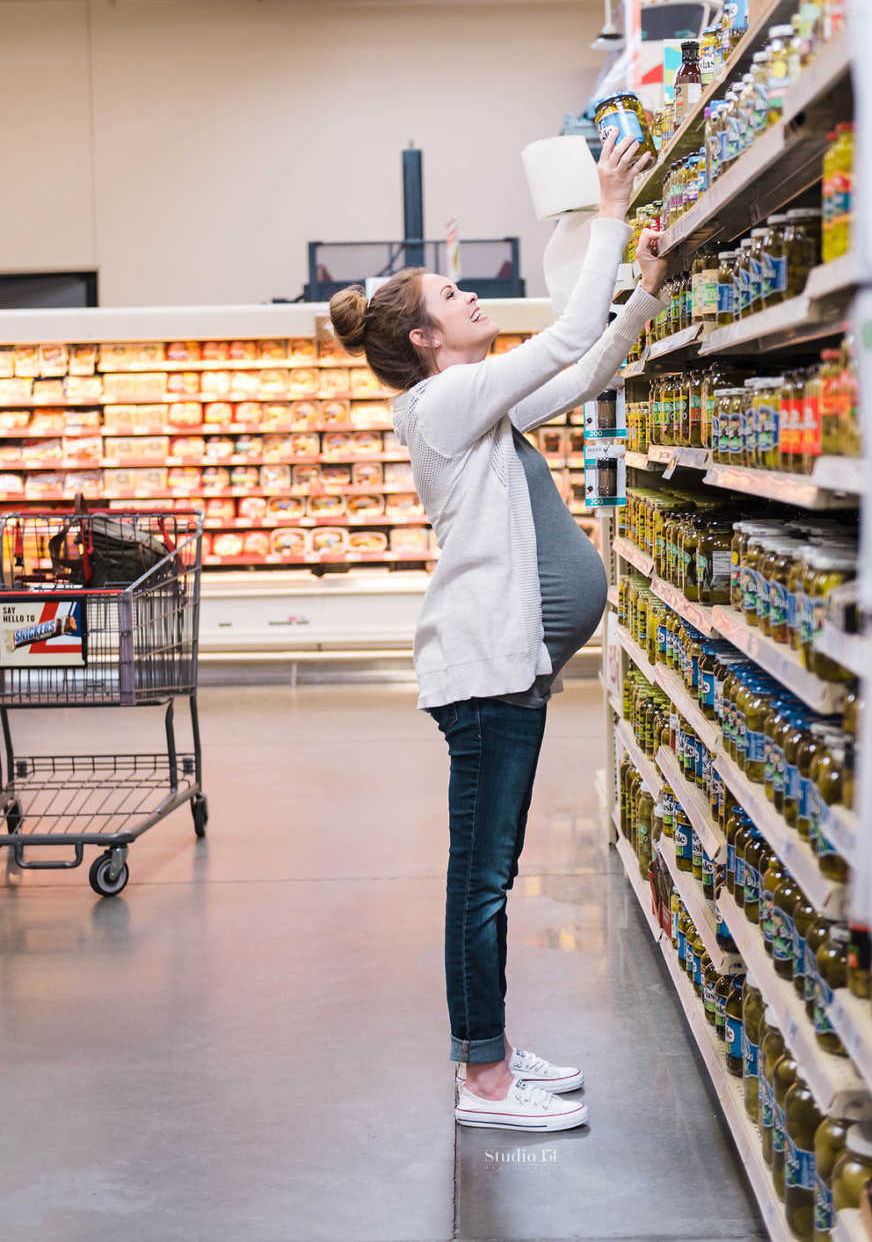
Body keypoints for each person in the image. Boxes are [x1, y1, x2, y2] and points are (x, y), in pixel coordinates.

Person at [329, 132, 669, 1133]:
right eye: (452, 296)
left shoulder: (477, 408)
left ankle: (493, 1052)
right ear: (427, 339)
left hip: (502, 676)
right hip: (482, 681)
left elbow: (586, 370)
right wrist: (607, 213)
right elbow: (561, 341)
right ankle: (481, 1082)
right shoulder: (439, 405)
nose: (471, 297)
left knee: (488, 874)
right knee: (479, 883)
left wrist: (641, 291)